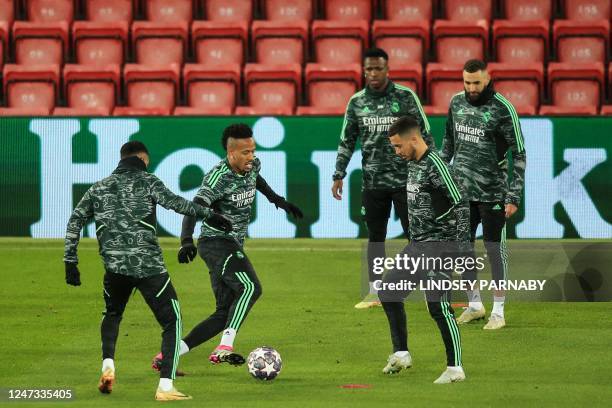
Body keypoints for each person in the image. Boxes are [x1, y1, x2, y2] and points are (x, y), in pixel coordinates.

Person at [63, 141, 223, 401]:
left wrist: (70, 261)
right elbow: (178, 204)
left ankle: (108, 366)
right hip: (149, 268)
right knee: (172, 321)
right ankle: (165, 387)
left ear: (121, 158)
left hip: (114, 269)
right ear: (143, 159)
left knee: (113, 314)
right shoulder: (149, 182)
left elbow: (75, 222)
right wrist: (210, 215)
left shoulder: (99, 187)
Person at [152, 123, 303, 372]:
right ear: (231, 153)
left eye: (253, 151)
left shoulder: (253, 165)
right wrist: (186, 240)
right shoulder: (217, 177)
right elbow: (195, 206)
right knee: (251, 287)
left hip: (232, 244)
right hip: (216, 243)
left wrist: (278, 200)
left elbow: (257, 180)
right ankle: (224, 348)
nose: (251, 157)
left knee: (224, 313)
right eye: (245, 152)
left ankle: (167, 356)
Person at [331, 47, 433, 309]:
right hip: (373, 182)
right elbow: (347, 140)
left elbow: (426, 135)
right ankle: (375, 291)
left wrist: (429, 170)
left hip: (407, 180)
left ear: (388, 69)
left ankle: (428, 284)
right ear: (364, 70)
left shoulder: (405, 97)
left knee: (417, 235)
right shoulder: (356, 102)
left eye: (378, 68)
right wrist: (338, 173)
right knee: (376, 237)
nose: (373, 73)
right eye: (369, 69)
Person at [380, 116, 469, 384]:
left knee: (438, 306)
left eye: (398, 146)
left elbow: (460, 204)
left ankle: (456, 368)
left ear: (414, 139)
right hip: (418, 245)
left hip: (441, 246)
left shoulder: (437, 165)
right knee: (389, 292)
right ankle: (401, 353)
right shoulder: (413, 164)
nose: (397, 152)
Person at [440, 59, 527, 330]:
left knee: (494, 252)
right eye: (467, 82)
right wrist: (439, 180)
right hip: (461, 194)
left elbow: (520, 154)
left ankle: (499, 311)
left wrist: (513, 195)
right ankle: (475, 304)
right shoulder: (456, 103)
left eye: (476, 82)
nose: (471, 87)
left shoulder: (503, 109)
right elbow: (448, 145)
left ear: (488, 78)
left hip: (493, 195)